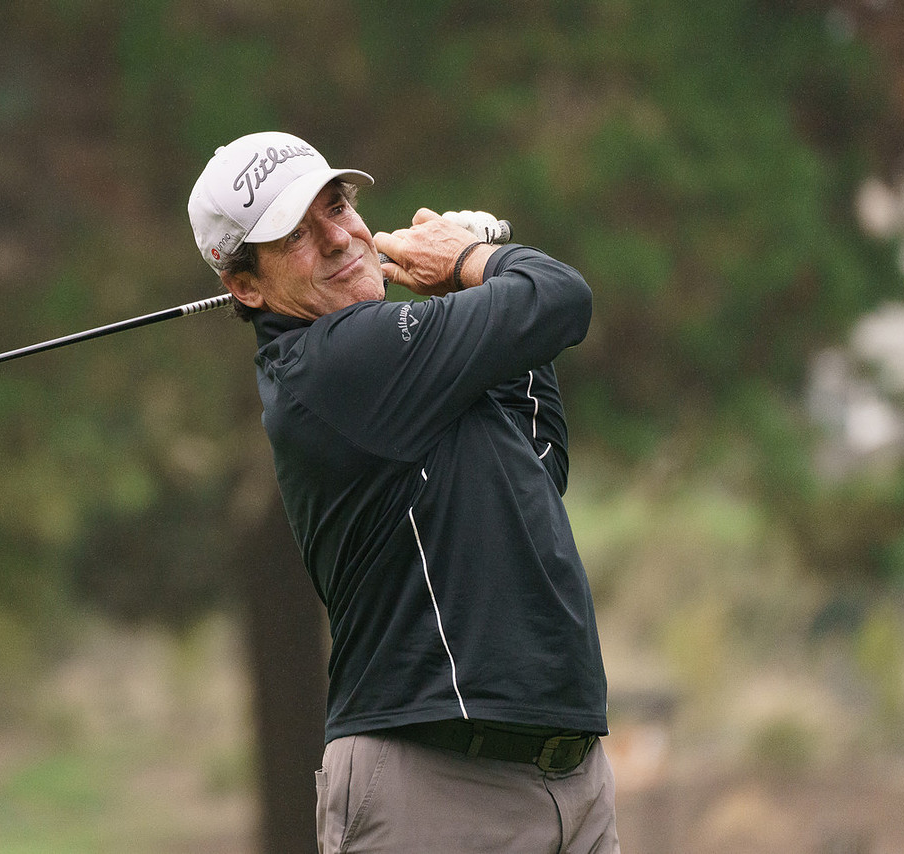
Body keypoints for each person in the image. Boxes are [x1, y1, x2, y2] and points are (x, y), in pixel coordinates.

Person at [188, 131, 619, 853]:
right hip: (434, 786)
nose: (338, 238)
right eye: (295, 235)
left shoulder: (407, 377)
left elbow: (540, 467)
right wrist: (474, 259)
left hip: (570, 781)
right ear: (247, 287)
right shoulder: (335, 363)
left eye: (337, 207)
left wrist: (470, 282)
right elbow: (560, 298)